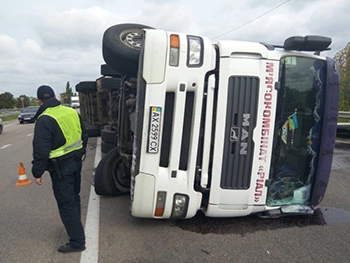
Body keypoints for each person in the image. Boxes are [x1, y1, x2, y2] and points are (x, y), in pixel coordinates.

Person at [31, 85, 88, 253]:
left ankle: (77, 241)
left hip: (61, 168)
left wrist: (37, 171)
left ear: (39, 100)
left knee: (66, 203)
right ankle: (75, 228)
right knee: (74, 198)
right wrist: (80, 152)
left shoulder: (44, 119)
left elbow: (41, 149)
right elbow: (85, 134)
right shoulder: (71, 112)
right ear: (55, 96)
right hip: (76, 163)